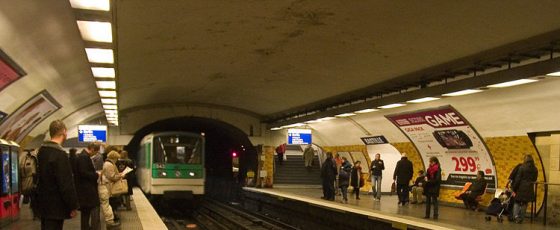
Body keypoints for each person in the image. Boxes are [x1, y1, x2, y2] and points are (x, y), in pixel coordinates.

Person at [35, 120, 79, 230]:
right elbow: (65, 184)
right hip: (56, 206)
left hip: (43, 204)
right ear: (63, 132)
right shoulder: (60, 155)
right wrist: (72, 205)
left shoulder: (41, 152)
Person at [75, 143, 102, 230]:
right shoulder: (84, 157)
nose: (95, 154)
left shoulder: (83, 156)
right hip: (86, 191)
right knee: (86, 212)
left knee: (85, 213)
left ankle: (86, 227)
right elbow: (84, 173)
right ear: (93, 149)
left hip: (85, 190)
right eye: (96, 152)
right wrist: (96, 175)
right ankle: (86, 228)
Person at [511, 154, 538, 224]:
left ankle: (516, 217)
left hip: (521, 188)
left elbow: (518, 179)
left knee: (517, 202)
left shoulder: (522, 167)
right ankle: (521, 218)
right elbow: (535, 179)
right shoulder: (535, 169)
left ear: (525, 160)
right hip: (529, 188)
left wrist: (514, 188)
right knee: (525, 203)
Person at [99, 151, 123, 227]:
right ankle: (110, 222)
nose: (117, 160)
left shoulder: (107, 163)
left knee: (110, 204)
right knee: (109, 204)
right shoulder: (109, 164)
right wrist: (120, 176)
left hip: (107, 186)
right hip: (108, 186)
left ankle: (111, 220)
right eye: (116, 158)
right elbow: (112, 177)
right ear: (114, 158)